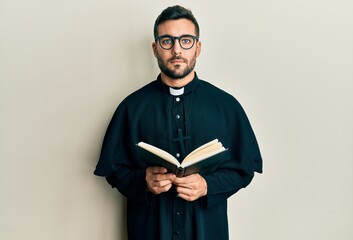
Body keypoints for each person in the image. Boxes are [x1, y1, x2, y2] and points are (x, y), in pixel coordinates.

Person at [94, 5, 262, 240]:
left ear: (198, 47)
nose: (176, 50)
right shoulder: (131, 107)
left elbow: (244, 169)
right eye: (167, 41)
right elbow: (114, 171)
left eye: (186, 41)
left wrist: (207, 185)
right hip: (150, 231)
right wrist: (144, 181)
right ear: (155, 48)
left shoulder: (226, 106)